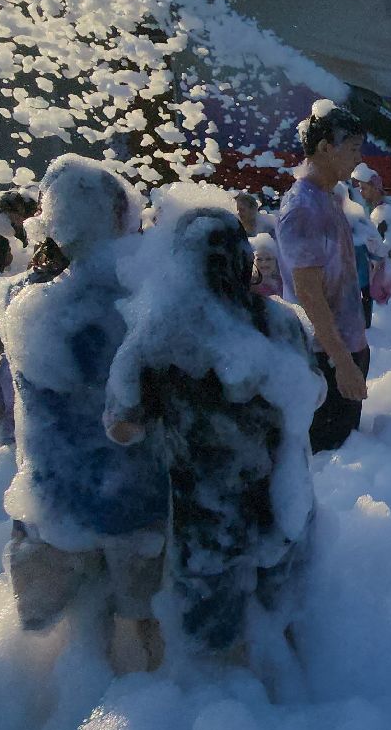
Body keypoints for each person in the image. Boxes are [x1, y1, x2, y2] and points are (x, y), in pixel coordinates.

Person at [103, 208, 323, 675]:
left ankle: (232, 707)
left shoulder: (158, 335)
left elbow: (123, 428)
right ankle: (301, 694)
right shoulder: (281, 322)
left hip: (206, 516)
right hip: (283, 498)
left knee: (216, 645)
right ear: (244, 259)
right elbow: (313, 395)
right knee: (288, 618)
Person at [0, 155, 170, 675]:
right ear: (117, 215)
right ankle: (155, 697)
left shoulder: (25, 301)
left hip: (53, 496)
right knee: (146, 620)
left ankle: (74, 702)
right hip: (132, 495)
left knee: (80, 629)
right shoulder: (139, 300)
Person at [280, 99, 373, 453]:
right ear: (324, 148)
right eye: (353, 149)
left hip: (346, 346)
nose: (358, 159)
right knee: (332, 457)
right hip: (325, 356)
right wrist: (341, 361)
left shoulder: (327, 197)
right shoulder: (302, 207)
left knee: (351, 449)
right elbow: (308, 293)